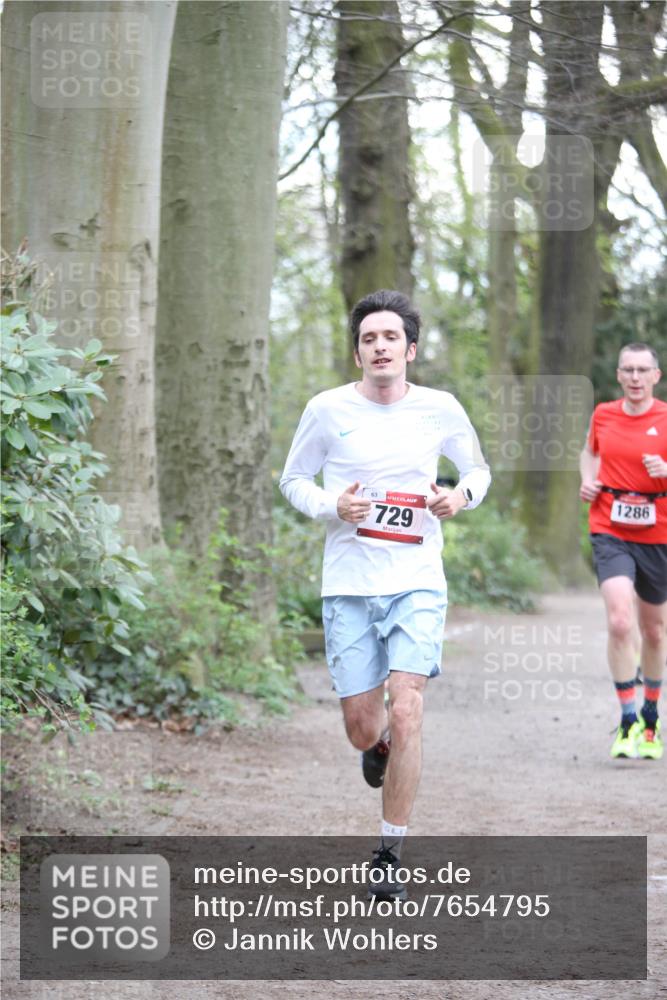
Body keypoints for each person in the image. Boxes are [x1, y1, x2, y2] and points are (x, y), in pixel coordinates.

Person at [280, 289, 491, 898]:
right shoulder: (325, 410)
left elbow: (477, 472)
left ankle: (389, 853)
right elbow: (293, 479)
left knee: (408, 704)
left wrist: (459, 497)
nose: (380, 347)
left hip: (417, 578)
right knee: (360, 725)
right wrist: (331, 505)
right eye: (369, 339)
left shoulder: (440, 408)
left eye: (390, 337)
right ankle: (378, 746)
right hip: (348, 582)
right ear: (357, 354)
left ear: (410, 350)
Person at [579, 343, 667, 760]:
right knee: (619, 621)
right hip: (609, 524)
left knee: (653, 630)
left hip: (659, 531)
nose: (634, 377)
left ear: (656, 376)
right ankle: (628, 718)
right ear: (618, 375)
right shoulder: (603, 414)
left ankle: (651, 718)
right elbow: (589, 453)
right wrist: (587, 480)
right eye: (627, 370)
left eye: (642, 370)